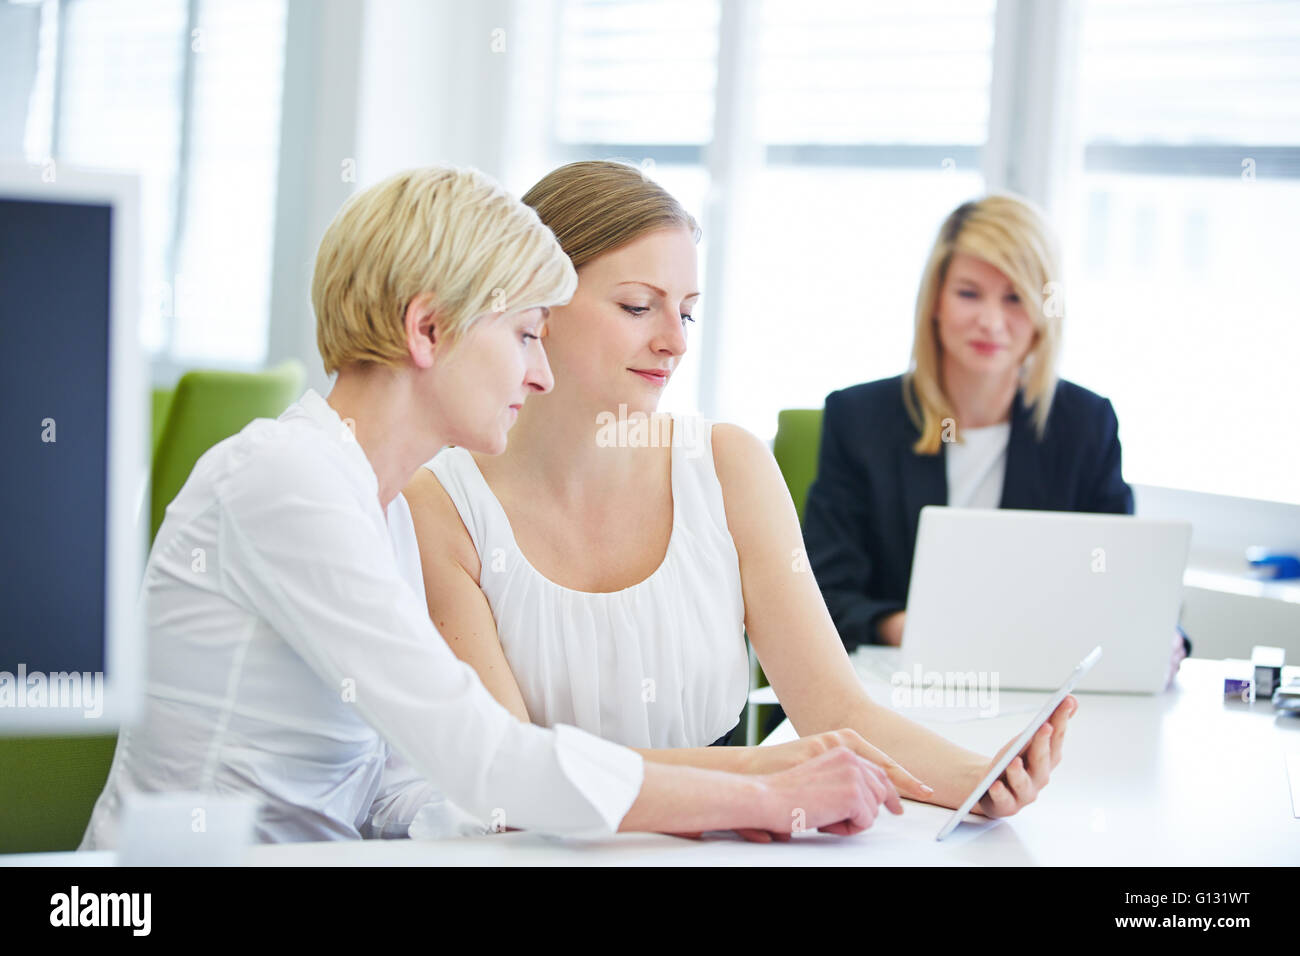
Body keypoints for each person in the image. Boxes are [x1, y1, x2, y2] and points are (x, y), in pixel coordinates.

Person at [80, 165, 900, 849]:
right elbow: (486, 758)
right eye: (524, 335)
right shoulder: (289, 481)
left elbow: (407, 789)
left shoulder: (381, 507)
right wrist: (755, 792)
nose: (539, 375)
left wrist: (705, 792)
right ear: (429, 329)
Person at [404, 161, 1076, 820]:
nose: (674, 343)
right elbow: (513, 781)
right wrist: (759, 776)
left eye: (687, 314)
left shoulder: (728, 467)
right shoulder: (440, 508)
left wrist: (974, 776)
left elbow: (836, 711)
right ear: (537, 306)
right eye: (639, 306)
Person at [802, 194, 1189, 685]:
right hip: (898, 682)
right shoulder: (859, 418)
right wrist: (916, 633)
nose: (991, 321)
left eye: (1014, 297)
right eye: (969, 293)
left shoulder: (1084, 424)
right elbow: (822, 593)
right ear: (936, 301)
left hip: (1040, 687)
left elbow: (1119, 581)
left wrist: (1158, 635)